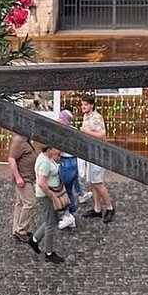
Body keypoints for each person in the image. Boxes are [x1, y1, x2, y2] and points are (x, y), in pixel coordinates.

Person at [79, 95, 115, 223]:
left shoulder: (97, 117)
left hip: (99, 153)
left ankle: (110, 207)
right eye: (82, 104)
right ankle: (97, 209)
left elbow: (102, 135)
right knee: (93, 182)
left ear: (92, 105)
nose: (83, 107)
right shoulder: (86, 116)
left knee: (98, 182)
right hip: (90, 153)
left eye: (85, 104)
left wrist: (86, 132)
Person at [28, 144, 64, 264]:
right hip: (46, 196)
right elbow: (41, 183)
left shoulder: (47, 158)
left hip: (50, 195)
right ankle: (49, 253)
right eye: (56, 148)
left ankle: (34, 240)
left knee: (52, 219)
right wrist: (51, 195)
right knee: (50, 223)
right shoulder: (44, 163)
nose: (58, 150)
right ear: (49, 149)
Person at [56, 109, 85, 229]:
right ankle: (71, 213)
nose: (58, 120)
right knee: (70, 189)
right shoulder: (74, 130)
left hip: (66, 162)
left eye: (60, 118)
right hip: (73, 161)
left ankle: (68, 214)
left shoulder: (63, 132)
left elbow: (58, 148)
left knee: (63, 189)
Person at [7, 132, 38, 243]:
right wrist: (18, 177)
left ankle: (17, 229)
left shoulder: (25, 139)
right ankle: (21, 230)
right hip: (23, 179)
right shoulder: (19, 140)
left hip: (27, 177)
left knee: (20, 203)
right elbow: (11, 160)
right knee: (30, 202)